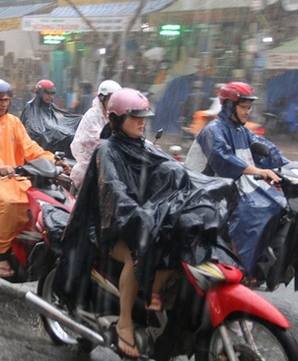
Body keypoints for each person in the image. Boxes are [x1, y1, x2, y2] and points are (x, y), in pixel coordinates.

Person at [53, 88, 237, 358]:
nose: (142, 122)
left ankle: (155, 290)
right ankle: (125, 322)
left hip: (141, 216)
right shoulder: (106, 150)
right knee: (137, 252)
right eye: (135, 117)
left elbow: (180, 174)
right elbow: (114, 193)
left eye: (144, 117)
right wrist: (140, 216)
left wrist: (212, 187)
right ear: (116, 119)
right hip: (105, 224)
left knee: (181, 240)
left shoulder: (145, 147)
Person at [0, 78, 69, 278]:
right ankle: (1, 254)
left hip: (13, 177)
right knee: (10, 204)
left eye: (7, 99)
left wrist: (53, 160)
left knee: (37, 203)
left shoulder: (13, 122)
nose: (3, 103)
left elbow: (30, 147)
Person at [185, 81, 289, 275]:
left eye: (250, 107)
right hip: (205, 193)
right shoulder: (213, 131)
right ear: (230, 105)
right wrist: (258, 172)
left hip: (228, 190)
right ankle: (238, 270)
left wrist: (290, 167)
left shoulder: (242, 131)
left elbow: (266, 150)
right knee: (246, 216)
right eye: (244, 106)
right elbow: (222, 159)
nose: (248, 111)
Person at [69, 79, 121, 189]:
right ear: (103, 99)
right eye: (111, 101)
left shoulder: (115, 117)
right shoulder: (92, 115)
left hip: (111, 164)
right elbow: (99, 139)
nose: (113, 105)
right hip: (90, 165)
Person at [19, 79, 82, 159]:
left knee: (72, 134)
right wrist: (52, 131)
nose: (50, 96)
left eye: (52, 94)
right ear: (40, 92)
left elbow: (60, 116)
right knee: (61, 136)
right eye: (47, 93)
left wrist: (77, 119)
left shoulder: (50, 106)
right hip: (40, 138)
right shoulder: (30, 107)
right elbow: (32, 128)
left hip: (51, 131)